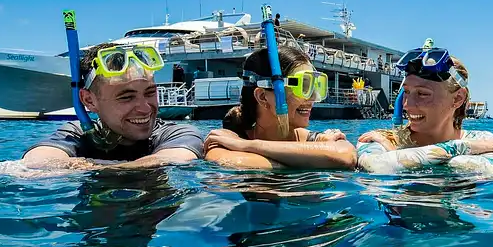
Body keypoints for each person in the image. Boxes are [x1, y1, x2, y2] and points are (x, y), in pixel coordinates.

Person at [23, 43, 205, 169]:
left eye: (150, 93)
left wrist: (81, 166)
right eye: (126, 97)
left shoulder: (178, 134)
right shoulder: (77, 134)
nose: (145, 108)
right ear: (89, 101)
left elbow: (170, 161)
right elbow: (38, 161)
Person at [356, 39, 493, 176]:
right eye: (407, 92)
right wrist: (460, 147)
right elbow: (375, 165)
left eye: (422, 94)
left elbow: (491, 171)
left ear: (457, 98)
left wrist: (397, 158)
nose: (407, 105)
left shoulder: (483, 139)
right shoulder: (381, 138)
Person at [202, 44, 357, 170]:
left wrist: (249, 146)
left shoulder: (239, 143)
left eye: (316, 87)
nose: (312, 98)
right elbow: (227, 161)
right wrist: (313, 159)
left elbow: (346, 155)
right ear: (263, 97)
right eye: (303, 86)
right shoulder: (226, 138)